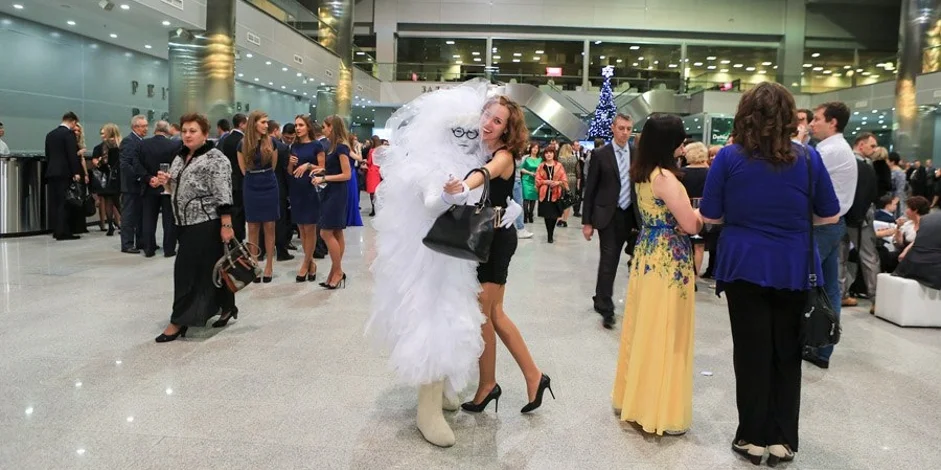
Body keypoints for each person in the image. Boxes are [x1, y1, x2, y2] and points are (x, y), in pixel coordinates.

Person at [700, 82, 840, 466]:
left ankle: (752, 437)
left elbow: (710, 215)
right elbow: (829, 214)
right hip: (794, 264)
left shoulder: (728, 158)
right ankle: (783, 440)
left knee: (750, 352)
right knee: (787, 353)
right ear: (789, 117)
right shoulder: (808, 159)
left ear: (745, 114)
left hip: (743, 264)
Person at [367, 81, 491, 448]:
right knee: (432, 322)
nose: (466, 139)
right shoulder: (426, 163)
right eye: (459, 131)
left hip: (455, 259)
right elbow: (431, 203)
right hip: (427, 259)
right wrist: (452, 195)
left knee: (455, 318)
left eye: (472, 132)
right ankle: (428, 407)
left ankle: (445, 390)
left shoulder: (473, 164)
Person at [441, 95, 550, 416]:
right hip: (488, 236)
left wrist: (462, 186)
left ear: (507, 130)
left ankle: (495, 383)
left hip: (496, 240)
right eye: (487, 115)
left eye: (497, 120)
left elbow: (484, 174)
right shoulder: (484, 149)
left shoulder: (502, 156)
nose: (488, 123)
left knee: (485, 315)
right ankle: (528, 377)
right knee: (494, 314)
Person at [611, 113, 702, 436]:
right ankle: (660, 408)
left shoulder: (643, 174)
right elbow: (690, 224)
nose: (683, 145)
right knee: (666, 328)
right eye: (680, 140)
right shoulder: (666, 178)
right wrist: (701, 214)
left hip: (648, 252)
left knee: (645, 325)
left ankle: (635, 398)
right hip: (669, 259)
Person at [154, 113, 237, 343]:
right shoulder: (181, 156)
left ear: (205, 134)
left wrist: (226, 225)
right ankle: (227, 306)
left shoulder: (215, 159)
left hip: (205, 222)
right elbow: (177, 187)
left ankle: (178, 321)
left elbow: (223, 194)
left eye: (193, 131)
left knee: (185, 272)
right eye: (184, 131)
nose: (187, 135)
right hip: (183, 222)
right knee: (211, 269)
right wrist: (165, 182)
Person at [804, 101, 857, 370]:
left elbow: (801, 178)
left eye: (817, 119)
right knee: (828, 289)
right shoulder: (837, 148)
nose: (812, 124)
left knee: (805, 283)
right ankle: (822, 347)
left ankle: (810, 340)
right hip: (832, 224)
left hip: (821, 225)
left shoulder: (828, 150)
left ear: (832, 122)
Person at [582, 113, 640, 329]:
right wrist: (587, 222)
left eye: (628, 129)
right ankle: (605, 307)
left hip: (633, 216)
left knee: (636, 261)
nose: (625, 132)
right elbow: (590, 189)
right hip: (609, 215)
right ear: (613, 128)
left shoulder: (637, 154)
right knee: (609, 261)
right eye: (621, 128)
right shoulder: (600, 154)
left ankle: (601, 297)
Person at [237, 111, 280, 283]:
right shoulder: (242, 144)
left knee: (270, 226)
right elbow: (243, 169)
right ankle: (254, 263)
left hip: (269, 183)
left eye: (267, 122)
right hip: (251, 184)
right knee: (252, 226)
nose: (266, 125)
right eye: (263, 122)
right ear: (254, 123)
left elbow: (274, 165)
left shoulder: (272, 142)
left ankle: (269, 265)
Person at [312, 115, 353, 289]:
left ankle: (337, 271)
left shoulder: (341, 147)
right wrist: (320, 172)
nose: (323, 130)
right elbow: (334, 169)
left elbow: (347, 174)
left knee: (325, 233)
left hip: (337, 193)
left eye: (325, 126)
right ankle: (334, 272)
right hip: (331, 191)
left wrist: (324, 178)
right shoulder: (331, 147)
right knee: (336, 232)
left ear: (331, 127)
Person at [136, 120, 182, 258]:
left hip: (149, 187)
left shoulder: (142, 144)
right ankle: (169, 249)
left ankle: (149, 248)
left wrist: (149, 178)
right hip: (168, 187)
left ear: (154, 129)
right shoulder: (175, 145)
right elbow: (177, 165)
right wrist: (164, 178)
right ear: (167, 131)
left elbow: (137, 164)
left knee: (148, 219)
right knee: (169, 220)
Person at [288, 115, 324, 282]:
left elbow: (322, 168)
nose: (297, 128)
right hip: (296, 188)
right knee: (301, 228)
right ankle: (311, 263)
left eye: (301, 125)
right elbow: (290, 171)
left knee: (310, 227)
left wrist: (308, 165)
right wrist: (290, 163)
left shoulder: (317, 145)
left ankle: (305, 263)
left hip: (310, 188)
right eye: (296, 125)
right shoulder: (294, 146)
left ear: (308, 127)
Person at [44, 111, 83, 241]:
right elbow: (71, 154)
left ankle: (56, 230)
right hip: (64, 172)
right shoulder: (68, 134)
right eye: (75, 124)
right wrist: (76, 172)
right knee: (64, 203)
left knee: (55, 202)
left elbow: (48, 155)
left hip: (52, 172)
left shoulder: (50, 134)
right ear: (72, 121)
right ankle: (63, 232)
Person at [119, 114, 148, 253]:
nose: (146, 129)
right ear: (135, 127)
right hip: (131, 185)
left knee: (140, 215)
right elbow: (125, 164)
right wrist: (139, 177)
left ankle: (141, 242)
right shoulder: (129, 141)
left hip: (139, 185)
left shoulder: (141, 141)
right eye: (143, 126)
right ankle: (127, 244)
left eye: (146, 126)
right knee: (129, 215)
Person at [682, 142, 710, 277]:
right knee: (699, 246)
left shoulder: (682, 173)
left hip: (685, 209)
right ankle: (695, 276)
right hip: (703, 211)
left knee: (684, 243)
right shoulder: (710, 172)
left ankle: (684, 274)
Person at [218, 113, 248, 241]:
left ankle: (233, 240)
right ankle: (238, 240)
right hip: (240, 180)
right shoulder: (243, 141)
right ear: (241, 124)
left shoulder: (225, 139)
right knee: (239, 213)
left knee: (234, 211)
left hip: (229, 179)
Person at [895, 212, 941, 290]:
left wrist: (905, 251)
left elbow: (918, 240)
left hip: (909, 267)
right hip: (933, 273)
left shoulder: (926, 218)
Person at [90, 124, 122, 236]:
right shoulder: (121, 145)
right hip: (118, 176)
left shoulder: (102, 146)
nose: (102, 135)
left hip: (106, 177)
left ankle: (110, 227)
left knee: (108, 201)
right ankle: (127, 225)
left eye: (103, 133)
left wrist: (99, 161)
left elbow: (102, 162)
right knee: (118, 202)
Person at [535, 145, 568, 243]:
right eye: (546, 153)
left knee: (554, 216)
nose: (548, 155)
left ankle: (551, 234)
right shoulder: (541, 166)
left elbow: (564, 180)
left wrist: (557, 183)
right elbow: (537, 180)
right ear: (544, 155)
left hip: (556, 194)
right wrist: (545, 182)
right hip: (544, 195)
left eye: (550, 153)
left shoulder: (559, 165)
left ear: (554, 154)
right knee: (547, 215)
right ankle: (549, 234)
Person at [520, 143, 542, 223]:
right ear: (530, 149)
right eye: (533, 148)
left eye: (537, 148)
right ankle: (525, 215)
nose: (535, 149)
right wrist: (530, 173)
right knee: (526, 198)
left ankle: (530, 214)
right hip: (526, 179)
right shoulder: (526, 158)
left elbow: (542, 170)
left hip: (535, 180)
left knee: (533, 198)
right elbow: (521, 168)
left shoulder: (540, 159)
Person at [556, 142, 577, 227]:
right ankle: (565, 220)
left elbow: (557, 171)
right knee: (569, 200)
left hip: (562, 179)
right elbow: (578, 171)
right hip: (572, 179)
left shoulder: (560, 159)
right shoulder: (574, 158)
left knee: (560, 199)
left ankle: (559, 218)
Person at [346, 134, 364, 227]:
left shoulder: (352, 150)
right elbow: (359, 158)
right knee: (351, 194)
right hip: (350, 172)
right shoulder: (348, 150)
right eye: (354, 139)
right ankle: (348, 217)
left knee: (354, 194)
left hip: (353, 172)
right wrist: (359, 148)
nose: (356, 141)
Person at [364, 135, 383, 216]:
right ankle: (379, 208)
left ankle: (373, 209)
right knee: (377, 191)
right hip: (378, 171)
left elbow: (369, 162)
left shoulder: (372, 150)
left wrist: (364, 161)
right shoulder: (380, 149)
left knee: (372, 192)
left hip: (372, 171)